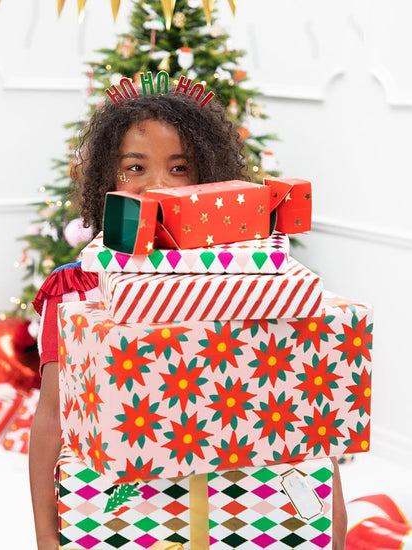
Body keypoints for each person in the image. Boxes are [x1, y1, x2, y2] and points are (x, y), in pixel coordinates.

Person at [29, 86, 347, 550]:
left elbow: (296, 408)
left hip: (239, 511)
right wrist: (45, 534)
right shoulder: (78, 289)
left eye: (179, 168)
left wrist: (328, 516)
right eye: (135, 167)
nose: (159, 184)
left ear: (209, 178)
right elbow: (52, 419)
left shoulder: (247, 280)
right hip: (127, 518)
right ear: (106, 178)